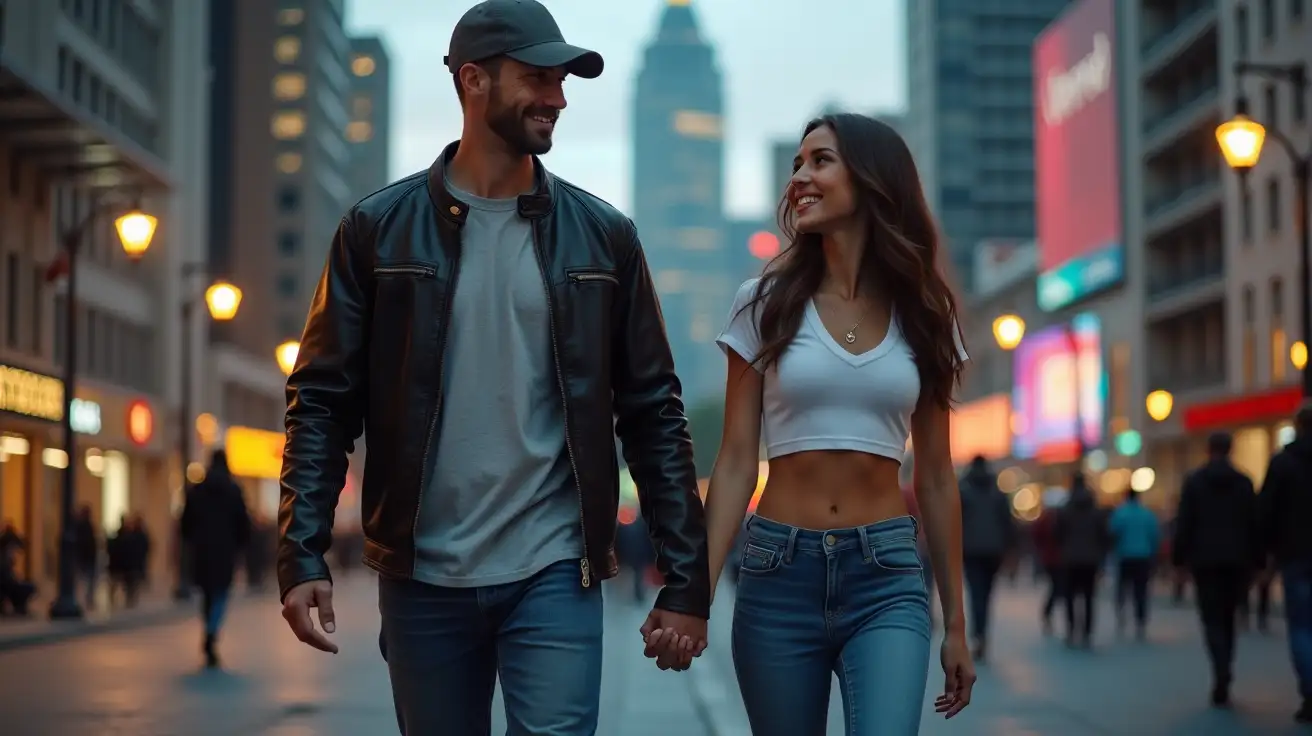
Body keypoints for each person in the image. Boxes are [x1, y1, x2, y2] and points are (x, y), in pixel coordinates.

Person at [276, 1, 710, 732]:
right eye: (539, 77)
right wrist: (301, 554)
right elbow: (322, 402)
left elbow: (652, 412)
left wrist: (687, 580)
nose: (559, 97)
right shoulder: (376, 232)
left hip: (555, 569)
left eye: (563, 80)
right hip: (424, 576)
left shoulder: (603, 239)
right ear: (473, 81)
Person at [702, 112, 975, 735]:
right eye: (797, 164)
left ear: (872, 180)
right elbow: (739, 459)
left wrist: (956, 623)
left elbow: (935, 476)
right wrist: (695, 592)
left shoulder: (927, 314)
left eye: (820, 161)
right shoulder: (761, 302)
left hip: (886, 578)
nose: (800, 176)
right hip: (778, 573)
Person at [1173, 431, 1260, 708]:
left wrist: (1179, 561)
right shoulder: (1244, 482)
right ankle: (1226, 665)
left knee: (1211, 618)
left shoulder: (1195, 482)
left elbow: (1184, 523)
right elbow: (1253, 523)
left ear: (1208, 449)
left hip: (1205, 560)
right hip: (1237, 559)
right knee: (1229, 616)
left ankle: (1220, 667)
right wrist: (1258, 561)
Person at [1258, 406, 1312, 723]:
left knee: (1303, 627)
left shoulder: (1283, 463)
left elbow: (1266, 513)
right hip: (1295, 554)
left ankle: (1309, 691)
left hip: (1296, 555)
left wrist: (1265, 556)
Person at [181, 450, 251, 668]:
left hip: (201, 551)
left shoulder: (196, 490)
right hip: (225, 551)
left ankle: (208, 628)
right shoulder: (233, 491)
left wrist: (192, 541)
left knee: (207, 594)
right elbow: (243, 523)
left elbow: (185, 523)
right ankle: (212, 631)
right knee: (221, 593)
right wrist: (240, 545)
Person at [958, 454, 1015, 661]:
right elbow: (1009, 524)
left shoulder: (963, 492)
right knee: (988, 594)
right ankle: (982, 634)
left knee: (976, 593)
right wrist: (1009, 551)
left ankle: (977, 635)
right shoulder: (998, 493)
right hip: (994, 550)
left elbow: (956, 523)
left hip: (970, 550)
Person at [1053, 473, 1108, 649]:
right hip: (1091, 559)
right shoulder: (1095, 510)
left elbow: (1057, 534)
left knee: (1069, 596)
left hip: (1070, 558)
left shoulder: (1065, 509)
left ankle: (1071, 630)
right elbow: (1104, 535)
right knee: (1089, 597)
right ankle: (1087, 632)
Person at [1109, 488, 1160, 639]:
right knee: (1141, 590)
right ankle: (1140, 620)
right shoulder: (1147, 514)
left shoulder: (1120, 514)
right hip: (1143, 556)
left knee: (1122, 588)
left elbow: (1113, 533)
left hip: (1124, 556)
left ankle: (1121, 615)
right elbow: (1155, 536)